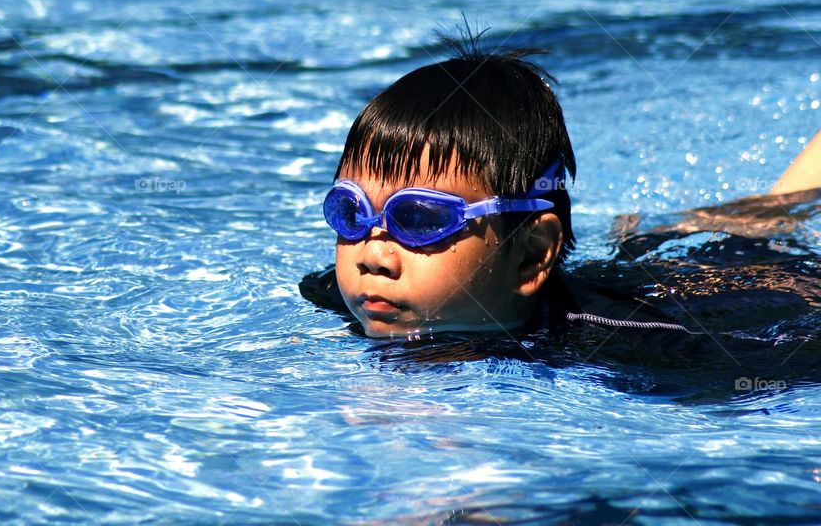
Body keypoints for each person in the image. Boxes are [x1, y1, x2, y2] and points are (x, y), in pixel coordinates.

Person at [298, 26, 821, 371]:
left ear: (531, 253)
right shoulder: (332, 294)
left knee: (757, 236)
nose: (372, 254)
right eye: (350, 212)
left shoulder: (636, 345)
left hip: (755, 296)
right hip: (626, 273)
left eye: (420, 218)